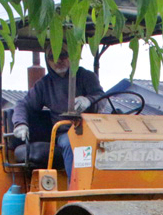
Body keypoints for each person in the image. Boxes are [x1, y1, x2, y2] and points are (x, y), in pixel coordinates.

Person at [12, 44, 104, 185]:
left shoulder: (86, 77)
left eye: (62, 55)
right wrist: (20, 123)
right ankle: (75, 188)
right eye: (52, 56)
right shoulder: (44, 85)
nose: (57, 60)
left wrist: (89, 100)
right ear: (47, 60)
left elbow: (101, 97)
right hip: (65, 132)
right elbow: (23, 104)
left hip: (94, 129)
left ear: (72, 56)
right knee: (71, 142)